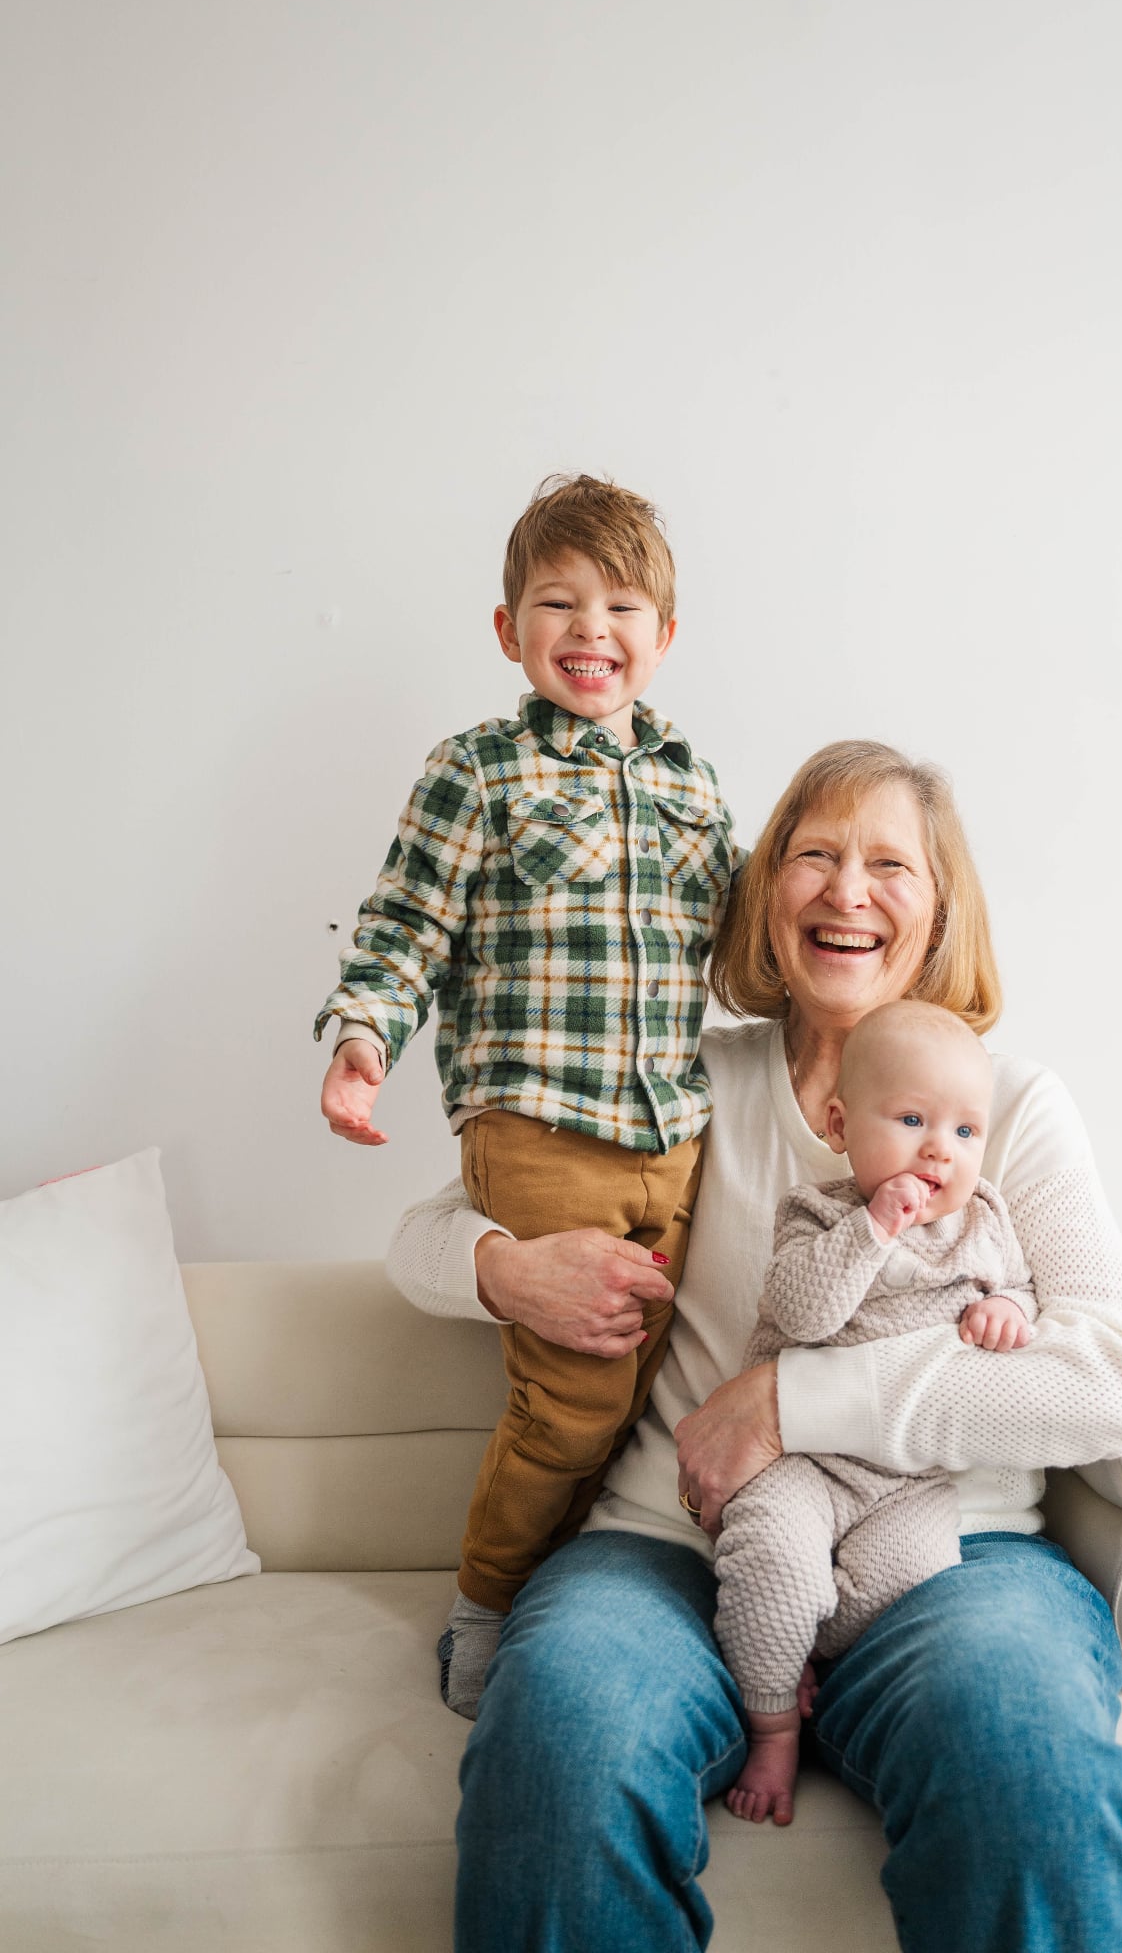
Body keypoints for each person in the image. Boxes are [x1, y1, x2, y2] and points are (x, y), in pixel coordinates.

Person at [387, 738, 1122, 1953]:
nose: (848, 890)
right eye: (814, 854)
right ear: (765, 889)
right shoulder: (672, 1081)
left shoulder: (1005, 1106)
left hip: (954, 1560)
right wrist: (506, 1268)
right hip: (672, 1551)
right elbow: (420, 1237)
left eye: (889, 864)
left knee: (1030, 1773)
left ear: (940, 909)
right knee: (559, 1753)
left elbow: (1111, 1378)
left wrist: (792, 1401)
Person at [314, 474, 737, 1717]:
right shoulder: (481, 771)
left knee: (648, 1391)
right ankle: (486, 1606)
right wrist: (362, 1038)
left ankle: (583, 1602)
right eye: (558, 602)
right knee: (572, 1400)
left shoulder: (695, 784)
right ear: (509, 630)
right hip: (540, 1122)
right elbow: (404, 925)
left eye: (621, 606)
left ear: (665, 635)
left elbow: (743, 946)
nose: (590, 627)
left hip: (677, 1132)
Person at [714, 997, 1037, 1827]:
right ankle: (773, 1723)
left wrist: (1008, 1308)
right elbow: (801, 1314)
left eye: (964, 1130)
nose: (939, 1149)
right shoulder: (815, 1215)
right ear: (839, 1124)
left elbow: (1021, 1288)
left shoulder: (985, 1220)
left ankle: (801, 1645)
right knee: (773, 1564)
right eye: (911, 1120)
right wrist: (873, 1229)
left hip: (909, 1482)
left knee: (910, 1581)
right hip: (799, 1465)